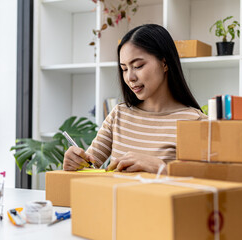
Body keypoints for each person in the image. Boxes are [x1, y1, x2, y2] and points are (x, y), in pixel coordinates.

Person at [63, 24, 207, 174]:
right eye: (124, 69)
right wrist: (75, 163)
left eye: (138, 66)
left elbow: (206, 185)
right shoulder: (119, 114)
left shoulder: (196, 122)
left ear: (164, 63)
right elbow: (88, 168)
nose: (130, 78)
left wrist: (161, 168)